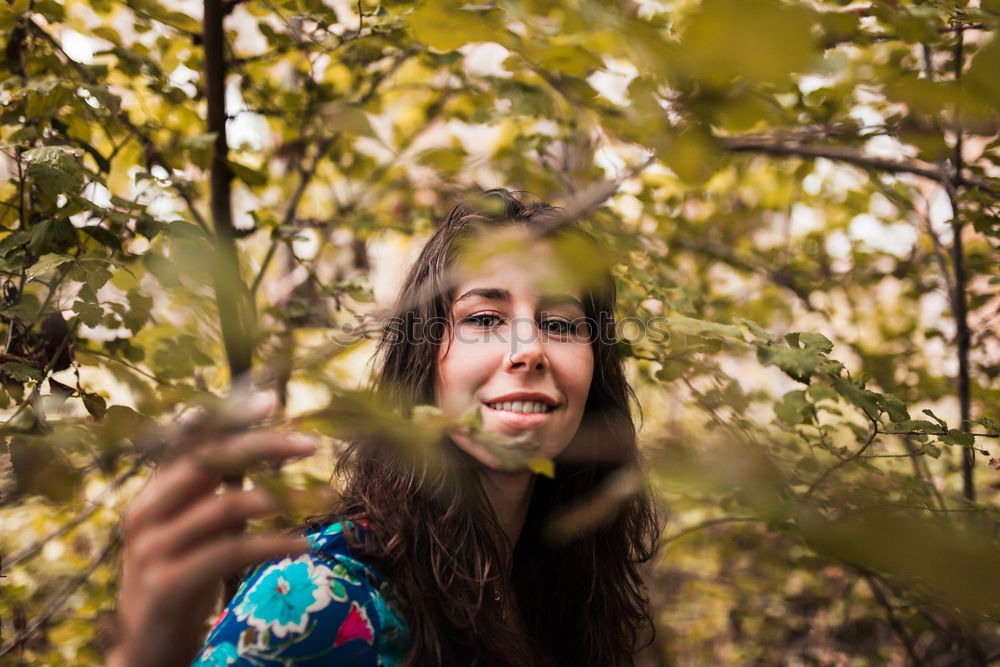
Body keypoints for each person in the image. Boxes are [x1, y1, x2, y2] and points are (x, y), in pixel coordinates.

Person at [109, 189, 661, 667]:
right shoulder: (321, 597)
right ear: (423, 365)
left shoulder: (565, 590)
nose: (528, 351)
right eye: (484, 318)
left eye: (561, 324)